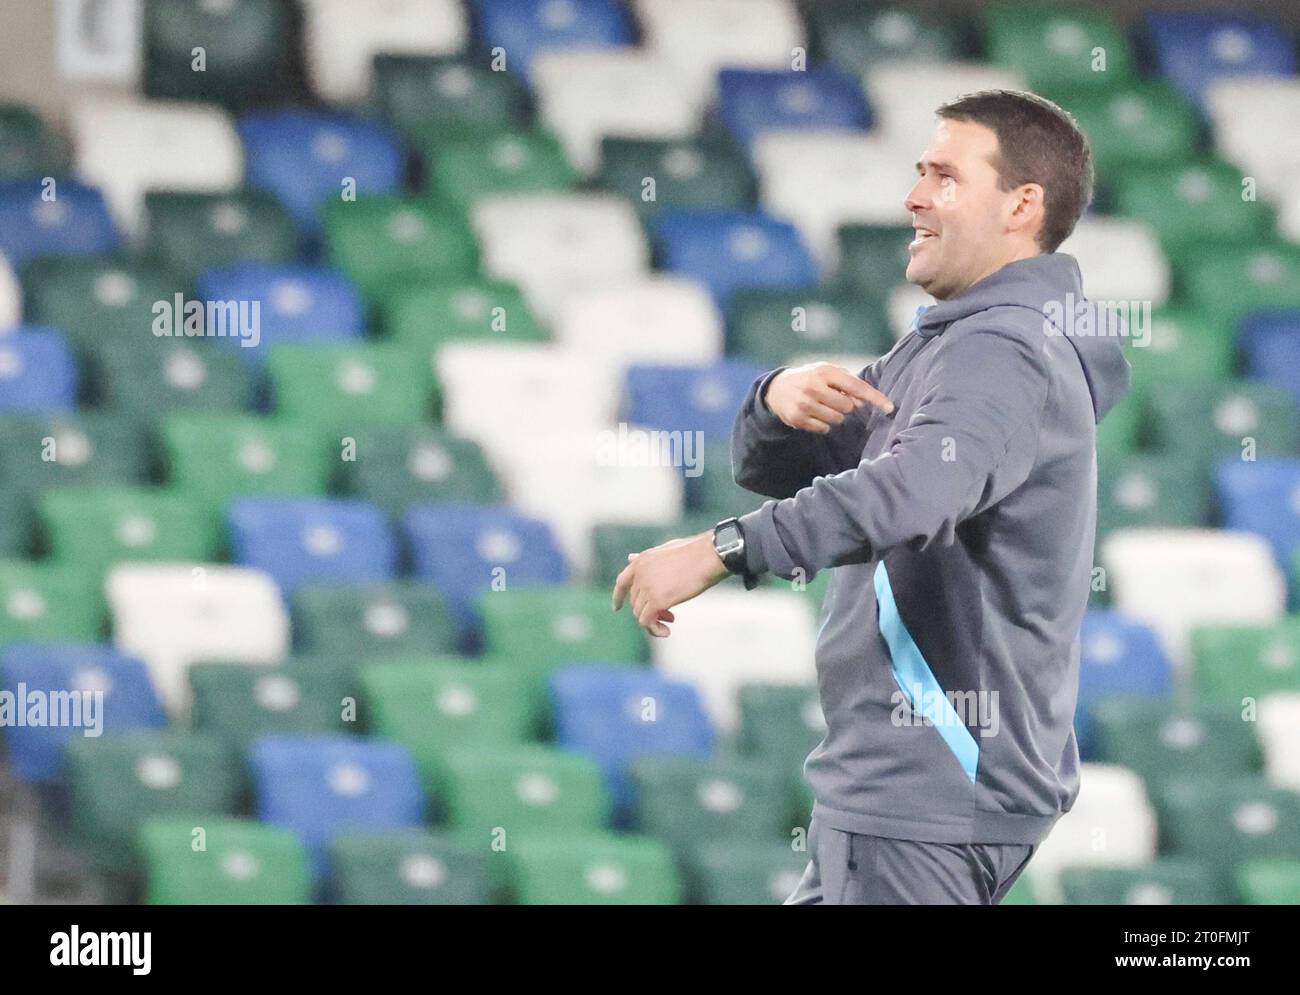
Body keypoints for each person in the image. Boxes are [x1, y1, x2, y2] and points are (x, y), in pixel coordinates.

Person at [612, 89, 1130, 904]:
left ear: (1022, 205)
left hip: (924, 789)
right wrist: (775, 399)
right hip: (910, 793)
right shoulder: (963, 341)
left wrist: (720, 548)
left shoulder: (1003, 351)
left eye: (946, 177)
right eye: (920, 172)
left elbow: (911, 493)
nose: (915, 196)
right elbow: (800, 463)